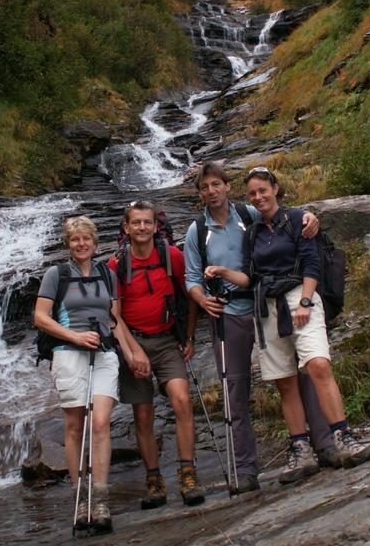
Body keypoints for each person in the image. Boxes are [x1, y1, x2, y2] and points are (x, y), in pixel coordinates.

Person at [204, 166, 370, 482]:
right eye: (253, 193)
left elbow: (312, 262)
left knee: (319, 365)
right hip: (267, 306)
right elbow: (249, 276)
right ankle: (301, 450)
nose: (258, 197)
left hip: (300, 295)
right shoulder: (253, 231)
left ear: (275, 189)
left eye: (263, 190)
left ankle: (343, 435)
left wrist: (307, 302)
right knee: (284, 381)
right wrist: (223, 272)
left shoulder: (298, 219)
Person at [184, 161, 342, 489]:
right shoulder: (196, 230)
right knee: (236, 391)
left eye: (216, 184)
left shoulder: (249, 215)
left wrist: (312, 216)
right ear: (199, 193)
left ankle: (324, 445)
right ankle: (245, 471)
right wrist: (200, 300)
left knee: (301, 375)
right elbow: (191, 277)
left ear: (228, 186)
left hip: (265, 307)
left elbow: (283, 220)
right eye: (204, 187)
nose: (211, 191)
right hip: (227, 315)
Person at [34, 215, 150, 533]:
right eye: (75, 239)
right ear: (68, 244)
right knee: (74, 427)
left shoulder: (106, 274)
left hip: (103, 354)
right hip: (68, 354)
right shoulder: (56, 275)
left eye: (86, 239)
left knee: (100, 422)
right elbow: (41, 318)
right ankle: (80, 496)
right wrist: (75, 337)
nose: (81, 244)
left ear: (95, 242)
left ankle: (100, 498)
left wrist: (130, 353)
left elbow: (114, 319)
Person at [107, 200, 205, 509]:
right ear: (126, 227)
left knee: (182, 400)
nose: (141, 228)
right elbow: (114, 316)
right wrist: (133, 352)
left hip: (166, 343)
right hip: (133, 343)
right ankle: (154, 482)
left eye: (147, 222)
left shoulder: (170, 255)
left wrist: (188, 336)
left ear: (155, 225)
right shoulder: (116, 265)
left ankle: (188, 474)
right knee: (143, 414)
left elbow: (190, 293)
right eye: (135, 223)